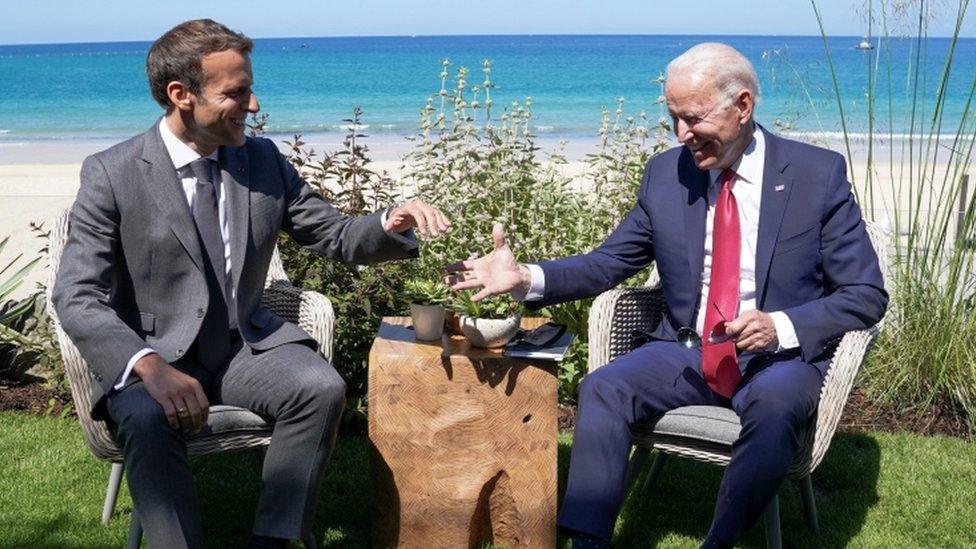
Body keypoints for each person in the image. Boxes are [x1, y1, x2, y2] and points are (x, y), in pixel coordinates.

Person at [446, 42, 887, 548]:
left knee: (775, 407)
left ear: (742, 106)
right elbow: (609, 262)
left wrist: (780, 326)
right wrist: (527, 277)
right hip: (686, 351)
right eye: (672, 118)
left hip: (777, 360)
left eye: (693, 118)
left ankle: (718, 543)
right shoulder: (666, 174)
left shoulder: (815, 175)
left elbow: (866, 294)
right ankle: (588, 541)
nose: (682, 134)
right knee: (603, 388)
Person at [52, 19, 450, 549]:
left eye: (250, 87)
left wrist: (387, 224)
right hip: (153, 355)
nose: (254, 104)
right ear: (181, 95)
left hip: (243, 346)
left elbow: (332, 234)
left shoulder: (261, 160)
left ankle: (275, 538)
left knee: (319, 387)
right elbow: (75, 295)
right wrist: (148, 367)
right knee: (148, 421)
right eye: (235, 93)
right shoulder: (112, 172)